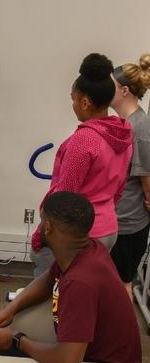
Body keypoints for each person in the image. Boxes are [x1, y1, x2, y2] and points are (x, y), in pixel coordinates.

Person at [0, 192, 141, 363]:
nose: (39, 227)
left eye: (41, 221)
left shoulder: (80, 283)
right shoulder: (86, 249)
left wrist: (16, 340)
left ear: (48, 227)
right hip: (93, 355)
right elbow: (49, 278)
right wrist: (11, 308)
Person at [31, 53, 133, 276]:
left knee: (53, 299)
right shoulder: (123, 133)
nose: (73, 105)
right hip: (107, 229)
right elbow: (118, 190)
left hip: (76, 236)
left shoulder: (85, 139)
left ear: (85, 102)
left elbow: (65, 197)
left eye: (73, 99)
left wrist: (41, 234)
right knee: (83, 293)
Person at [109, 54, 150, 300]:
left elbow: (146, 176)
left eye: (111, 85)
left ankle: (121, 337)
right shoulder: (122, 122)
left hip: (129, 223)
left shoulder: (140, 126)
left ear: (124, 91)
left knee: (121, 284)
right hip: (114, 216)